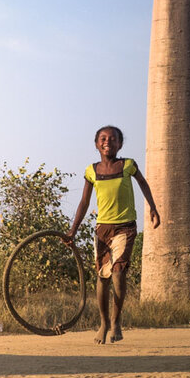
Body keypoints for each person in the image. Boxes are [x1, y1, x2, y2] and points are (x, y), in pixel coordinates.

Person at [65, 125, 160, 344]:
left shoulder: (127, 165)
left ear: (120, 144)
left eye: (113, 139)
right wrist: (72, 231)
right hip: (102, 230)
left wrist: (153, 207)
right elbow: (84, 202)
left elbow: (143, 184)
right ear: (97, 143)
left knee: (118, 272)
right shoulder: (92, 170)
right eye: (103, 138)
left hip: (125, 227)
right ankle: (104, 322)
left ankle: (116, 321)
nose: (108, 142)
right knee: (102, 277)